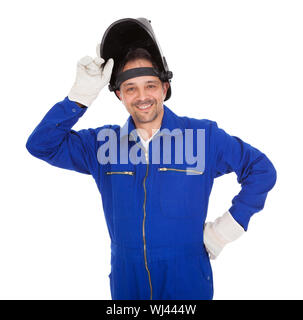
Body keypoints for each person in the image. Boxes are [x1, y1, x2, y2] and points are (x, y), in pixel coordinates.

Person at [26, 18, 277, 300]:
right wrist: (79, 97)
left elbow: (261, 170)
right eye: (131, 88)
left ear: (165, 89)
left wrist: (224, 231)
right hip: (126, 282)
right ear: (119, 94)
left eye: (150, 85)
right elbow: (41, 145)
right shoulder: (101, 145)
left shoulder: (202, 137)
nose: (142, 96)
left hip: (187, 280)